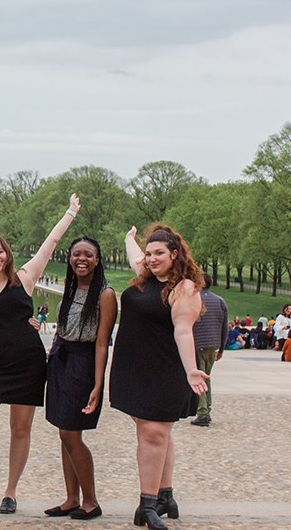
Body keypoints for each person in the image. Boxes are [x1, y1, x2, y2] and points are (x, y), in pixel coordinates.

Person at [0, 194, 81, 518]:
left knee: (20, 429)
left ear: (7, 254)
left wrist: (69, 212)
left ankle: (10, 491)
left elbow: (50, 242)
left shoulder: (25, 278)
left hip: (28, 362)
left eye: (0, 251)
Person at [109, 224, 208, 530]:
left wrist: (191, 368)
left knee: (152, 434)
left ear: (175, 254)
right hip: (134, 366)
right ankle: (165, 496)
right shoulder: (146, 275)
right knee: (156, 433)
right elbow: (135, 256)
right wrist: (128, 239)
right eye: (149, 253)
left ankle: (147, 504)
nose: (151, 259)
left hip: (164, 368)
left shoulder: (185, 289)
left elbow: (182, 330)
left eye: (159, 253)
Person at [43, 236, 117, 520]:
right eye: (76, 254)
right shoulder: (71, 287)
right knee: (64, 433)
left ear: (97, 260)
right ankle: (71, 498)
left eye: (88, 254)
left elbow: (101, 342)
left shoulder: (105, 294)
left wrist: (98, 384)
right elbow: (63, 329)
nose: (81, 259)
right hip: (61, 360)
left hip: (83, 363)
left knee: (71, 434)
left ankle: (91, 501)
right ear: (69, 258)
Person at [190, 274, 228, 427]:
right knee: (206, 377)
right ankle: (207, 409)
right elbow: (224, 326)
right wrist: (222, 349)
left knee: (199, 378)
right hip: (213, 345)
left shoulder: (193, 299)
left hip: (197, 343)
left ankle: (203, 412)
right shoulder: (220, 301)